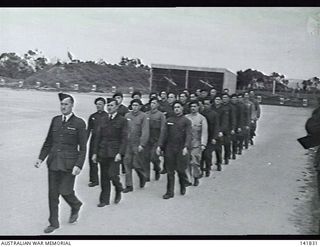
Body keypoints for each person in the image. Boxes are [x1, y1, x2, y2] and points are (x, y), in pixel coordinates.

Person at [35, 93, 87, 234]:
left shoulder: (79, 123)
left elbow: (83, 148)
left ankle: (76, 205)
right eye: (61, 104)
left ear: (72, 106)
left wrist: (79, 165)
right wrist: (41, 158)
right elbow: (48, 142)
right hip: (53, 163)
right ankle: (53, 223)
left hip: (70, 164)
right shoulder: (56, 120)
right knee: (53, 194)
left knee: (65, 191)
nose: (63, 107)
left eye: (66, 104)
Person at [92, 98, 127, 207]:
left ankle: (118, 188)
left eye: (112, 105)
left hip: (114, 152)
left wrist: (120, 153)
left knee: (112, 174)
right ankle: (104, 200)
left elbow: (124, 138)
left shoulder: (122, 120)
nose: (109, 107)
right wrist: (95, 153)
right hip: (103, 151)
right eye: (108, 105)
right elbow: (97, 137)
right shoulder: (103, 119)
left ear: (116, 107)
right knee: (104, 177)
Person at [157, 101, 192, 199]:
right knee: (170, 171)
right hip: (170, 148)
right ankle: (169, 192)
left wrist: (186, 146)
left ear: (182, 108)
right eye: (175, 107)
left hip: (181, 148)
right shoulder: (168, 120)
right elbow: (163, 134)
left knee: (181, 170)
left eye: (178, 107)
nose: (176, 109)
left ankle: (182, 185)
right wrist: (160, 146)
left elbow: (189, 135)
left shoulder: (186, 121)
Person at [123, 99, 150, 193]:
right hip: (128, 143)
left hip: (137, 143)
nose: (134, 107)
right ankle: (129, 185)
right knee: (127, 163)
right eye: (133, 105)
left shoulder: (143, 116)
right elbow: (124, 129)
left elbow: (145, 131)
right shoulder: (127, 115)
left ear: (140, 106)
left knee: (136, 164)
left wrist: (142, 144)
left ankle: (142, 176)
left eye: (136, 105)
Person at [185, 100, 208, 186]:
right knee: (186, 162)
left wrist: (203, 144)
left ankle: (196, 176)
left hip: (197, 143)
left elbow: (204, 132)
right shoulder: (186, 117)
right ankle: (188, 179)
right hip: (187, 143)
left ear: (198, 107)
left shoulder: (202, 118)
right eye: (191, 107)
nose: (193, 108)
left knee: (195, 162)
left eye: (195, 106)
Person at [86, 97, 108, 187]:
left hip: (104, 140)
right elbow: (88, 130)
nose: (98, 106)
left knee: (103, 159)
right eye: (97, 104)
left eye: (100, 104)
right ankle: (94, 180)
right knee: (92, 160)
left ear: (104, 105)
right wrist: (84, 141)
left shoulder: (107, 116)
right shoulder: (92, 116)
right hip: (94, 139)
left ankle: (106, 178)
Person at [145, 97, 166, 181]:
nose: (152, 104)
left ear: (158, 104)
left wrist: (161, 142)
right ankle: (147, 175)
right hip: (147, 138)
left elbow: (163, 129)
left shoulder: (161, 115)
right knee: (146, 157)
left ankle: (157, 168)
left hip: (156, 138)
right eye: (151, 103)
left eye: (154, 103)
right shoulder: (146, 114)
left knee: (154, 157)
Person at [200, 98, 220, 177]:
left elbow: (216, 126)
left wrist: (214, 137)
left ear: (211, 105)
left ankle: (207, 168)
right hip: (202, 137)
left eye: (207, 104)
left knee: (207, 155)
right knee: (201, 155)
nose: (206, 106)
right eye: (204, 104)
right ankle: (201, 170)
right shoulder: (201, 114)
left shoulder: (214, 114)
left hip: (210, 137)